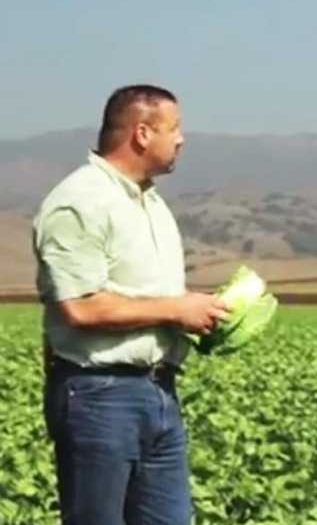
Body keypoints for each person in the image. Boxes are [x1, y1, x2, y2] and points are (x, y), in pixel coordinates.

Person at [33, 84, 227, 524]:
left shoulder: (149, 202)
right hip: (99, 396)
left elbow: (146, 294)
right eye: (174, 128)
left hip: (158, 392)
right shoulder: (80, 202)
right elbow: (81, 307)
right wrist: (177, 310)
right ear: (142, 133)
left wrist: (198, 312)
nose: (182, 139)